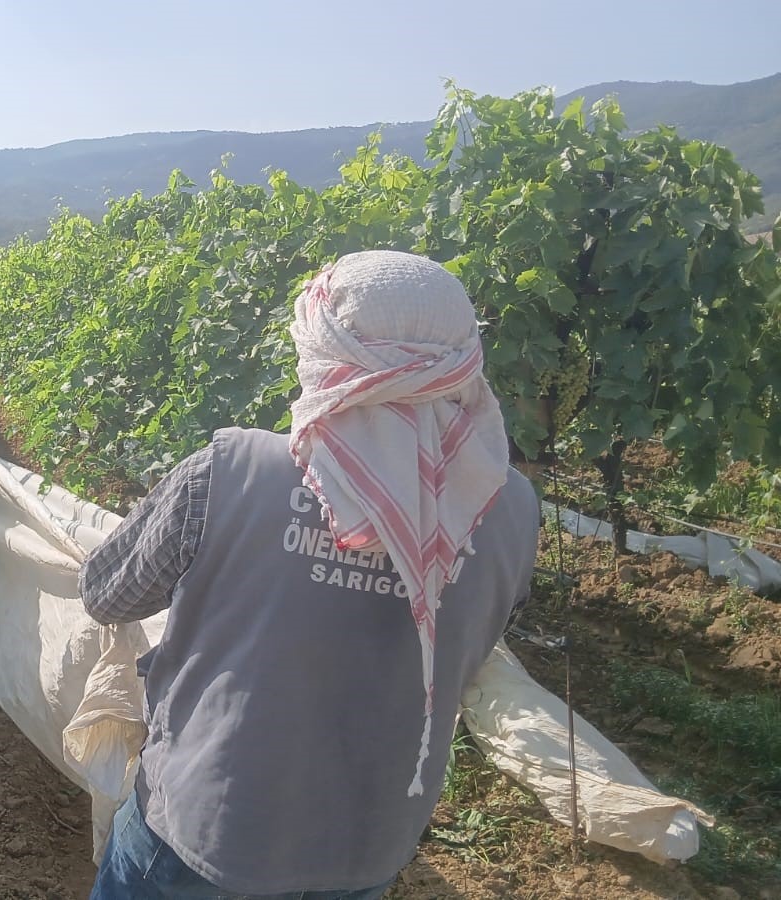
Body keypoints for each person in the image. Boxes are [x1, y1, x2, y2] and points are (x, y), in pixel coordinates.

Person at [80, 250, 540, 899]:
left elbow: (105, 593)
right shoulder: (512, 508)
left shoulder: (231, 471)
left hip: (204, 832)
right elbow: (475, 643)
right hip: (365, 850)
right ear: (463, 362)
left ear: (324, 352)